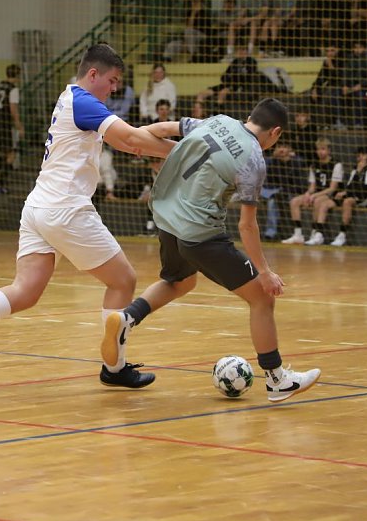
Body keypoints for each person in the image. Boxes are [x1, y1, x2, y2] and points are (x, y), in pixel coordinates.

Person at [0, 43, 174, 387]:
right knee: (123, 281)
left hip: (37, 208)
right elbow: (131, 139)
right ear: (93, 75)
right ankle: (114, 368)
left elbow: (135, 137)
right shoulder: (85, 102)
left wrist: (179, 131)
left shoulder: (70, 99)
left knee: (25, 291)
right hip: (65, 209)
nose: (115, 88)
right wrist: (187, 151)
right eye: (113, 80)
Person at [100, 98, 321, 403]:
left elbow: (162, 129)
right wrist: (265, 272)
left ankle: (127, 317)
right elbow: (247, 226)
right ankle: (277, 379)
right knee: (261, 297)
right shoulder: (253, 160)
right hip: (199, 232)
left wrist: (138, 144)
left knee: (180, 281)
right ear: (276, 132)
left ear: (248, 117)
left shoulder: (217, 120)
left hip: (165, 216)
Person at [305, 147, 367, 247]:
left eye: (363, 154)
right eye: (359, 155)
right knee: (324, 204)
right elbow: (350, 187)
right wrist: (344, 192)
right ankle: (319, 234)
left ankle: (342, 235)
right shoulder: (355, 170)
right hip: (352, 195)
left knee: (347, 202)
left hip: (365, 198)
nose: (360, 157)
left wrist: (357, 176)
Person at [282, 137, 345, 245]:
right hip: (317, 193)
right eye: (318, 149)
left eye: (323, 149)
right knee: (294, 202)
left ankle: (315, 233)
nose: (320, 152)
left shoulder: (336, 164)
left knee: (317, 201)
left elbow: (332, 188)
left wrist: (314, 195)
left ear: (329, 150)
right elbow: (312, 186)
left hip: (331, 195)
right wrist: (308, 193)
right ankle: (298, 234)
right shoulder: (314, 164)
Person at [0, 64, 25, 193]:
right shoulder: (13, 90)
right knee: (12, 153)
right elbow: (13, 109)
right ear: (18, 76)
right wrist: (19, 126)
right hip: (6, 124)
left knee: (5, 152)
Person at [260, 141, 304, 240]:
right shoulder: (273, 162)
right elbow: (269, 180)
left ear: (290, 150)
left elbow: (297, 184)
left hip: (289, 192)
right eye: (279, 147)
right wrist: (273, 158)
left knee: (272, 202)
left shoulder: (296, 163)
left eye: (284, 147)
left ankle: (270, 233)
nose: (281, 149)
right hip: (273, 190)